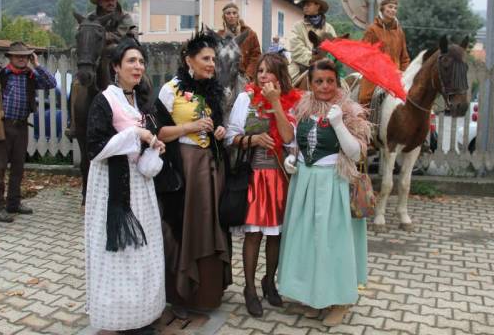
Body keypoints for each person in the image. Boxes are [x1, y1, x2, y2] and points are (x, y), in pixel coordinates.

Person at [278, 59, 371, 327]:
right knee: (309, 241)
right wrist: (292, 159)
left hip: (334, 183)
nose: (325, 86)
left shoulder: (349, 110)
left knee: (333, 244)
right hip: (306, 183)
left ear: (337, 81)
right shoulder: (304, 108)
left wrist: (340, 124)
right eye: (319, 81)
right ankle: (315, 297)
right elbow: (297, 142)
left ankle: (340, 301)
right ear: (310, 83)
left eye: (330, 80)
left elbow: (357, 153)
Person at [85, 38, 165, 335]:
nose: (138, 66)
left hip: (140, 185)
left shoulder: (140, 102)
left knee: (143, 250)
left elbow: (143, 145)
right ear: (116, 67)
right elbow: (95, 148)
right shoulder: (104, 100)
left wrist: (153, 146)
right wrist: (137, 134)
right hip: (111, 186)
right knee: (120, 253)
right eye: (131, 61)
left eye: (141, 61)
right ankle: (119, 317)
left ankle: (141, 314)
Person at [155, 31, 231, 319]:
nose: (212, 64)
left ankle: (208, 294)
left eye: (214, 58)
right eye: (206, 58)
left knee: (211, 226)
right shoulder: (170, 89)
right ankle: (181, 294)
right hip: (184, 167)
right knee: (184, 226)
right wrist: (190, 127)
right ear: (189, 60)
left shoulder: (215, 90)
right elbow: (159, 131)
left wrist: (220, 131)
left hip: (211, 168)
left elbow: (216, 125)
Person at [225, 53, 301, 317]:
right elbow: (231, 137)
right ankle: (249, 289)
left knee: (276, 234)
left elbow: (291, 139)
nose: (263, 76)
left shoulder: (291, 102)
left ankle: (269, 281)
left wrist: (275, 103)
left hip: (280, 175)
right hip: (254, 175)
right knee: (254, 234)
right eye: (260, 72)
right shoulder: (245, 99)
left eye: (269, 72)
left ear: (280, 76)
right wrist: (255, 139)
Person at [0, 42, 57, 223]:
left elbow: (52, 83)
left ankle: (14, 203)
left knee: (18, 168)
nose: (21, 58)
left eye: (25, 56)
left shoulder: (31, 75)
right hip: (1, 126)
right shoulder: (0, 75)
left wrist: (37, 65)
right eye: (17, 55)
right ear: (10, 57)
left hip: (21, 127)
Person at [66, 0, 138, 138]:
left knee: (140, 82)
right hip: (96, 60)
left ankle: (142, 116)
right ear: (99, 1)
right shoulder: (90, 18)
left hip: (121, 58)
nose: (111, 2)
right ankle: (73, 123)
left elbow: (121, 36)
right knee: (76, 84)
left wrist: (102, 35)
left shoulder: (124, 17)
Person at [358, 0, 410, 106]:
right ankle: (362, 120)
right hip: (375, 74)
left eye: (395, 8)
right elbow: (365, 55)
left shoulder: (399, 31)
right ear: (382, 8)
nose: (393, 10)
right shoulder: (372, 29)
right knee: (364, 98)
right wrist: (381, 69)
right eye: (390, 7)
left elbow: (404, 57)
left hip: (396, 75)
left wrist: (405, 72)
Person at [288, 0, 337, 84]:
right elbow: (296, 49)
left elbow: (335, 49)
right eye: (304, 5)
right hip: (300, 66)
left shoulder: (329, 28)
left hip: (326, 66)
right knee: (287, 84)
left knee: (343, 85)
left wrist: (324, 60)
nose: (305, 7)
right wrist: (312, 59)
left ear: (317, 6)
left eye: (308, 5)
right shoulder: (297, 26)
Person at [217, 2, 261, 80]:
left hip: (245, 76)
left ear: (238, 16)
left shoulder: (250, 34)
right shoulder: (219, 35)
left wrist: (248, 74)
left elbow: (256, 56)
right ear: (224, 17)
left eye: (234, 13)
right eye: (228, 13)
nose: (231, 16)